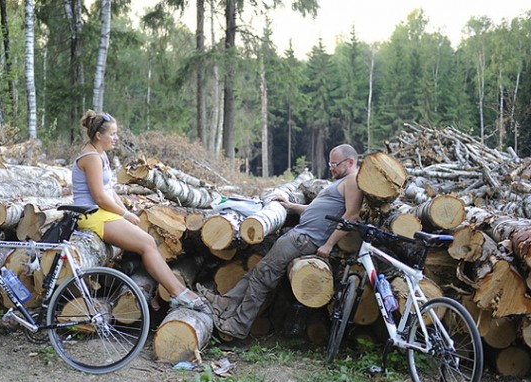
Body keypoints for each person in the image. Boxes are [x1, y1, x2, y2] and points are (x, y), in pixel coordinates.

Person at [198, 144, 363, 339]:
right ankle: (225, 303)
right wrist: (291, 206)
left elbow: (351, 215)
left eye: (334, 163)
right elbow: (316, 210)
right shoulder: (343, 180)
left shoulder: (353, 180)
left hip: (305, 238)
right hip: (301, 235)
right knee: (260, 271)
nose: (331, 167)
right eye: (330, 163)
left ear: (350, 162)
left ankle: (237, 326)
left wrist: (328, 244)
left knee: (263, 277)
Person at [73, 110, 210, 313]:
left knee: (148, 242)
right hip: (91, 214)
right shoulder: (91, 157)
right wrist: (124, 215)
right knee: (147, 243)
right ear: (99, 136)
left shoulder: (100, 154)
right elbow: (100, 197)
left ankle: (178, 290)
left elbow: (109, 191)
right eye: (113, 134)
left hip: (100, 212)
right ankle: (179, 294)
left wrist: (126, 210)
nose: (116, 138)